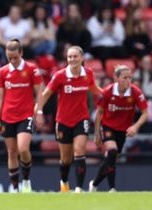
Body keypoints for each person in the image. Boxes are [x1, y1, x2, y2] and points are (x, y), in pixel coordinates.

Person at [37, 45, 102, 193]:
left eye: (75, 56)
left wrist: (109, 93)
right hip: (63, 121)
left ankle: (79, 188)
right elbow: (46, 94)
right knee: (66, 159)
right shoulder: (60, 75)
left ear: (82, 58)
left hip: (81, 119)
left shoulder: (88, 74)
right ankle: (64, 183)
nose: (72, 59)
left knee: (79, 151)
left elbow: (95, 89)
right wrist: (38, 111)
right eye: (69, 57)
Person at [0, 39, 43, 193]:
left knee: (23, 148)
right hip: (7, 116)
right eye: (10, 58)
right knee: (12, 152)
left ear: (21, 53)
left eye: (15, 57)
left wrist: (39, 111)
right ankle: (15, 188)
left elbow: (39, 92)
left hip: (25, 114)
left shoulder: (32, 69)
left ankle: (26, 180)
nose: (13, 61)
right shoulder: (2, 72)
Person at [89, 65, 148, 192]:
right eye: (124, 77)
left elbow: (145, 113)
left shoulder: (136, 92)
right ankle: (112, 189)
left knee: (110, 159)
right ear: (116, 78)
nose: (128, 81)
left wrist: (135, 126)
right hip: (108, 126)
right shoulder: (107, 92)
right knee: (112, 151)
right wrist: (97, 133)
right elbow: (99, 113)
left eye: (130, 78)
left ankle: (94, 184)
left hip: (123, 130)